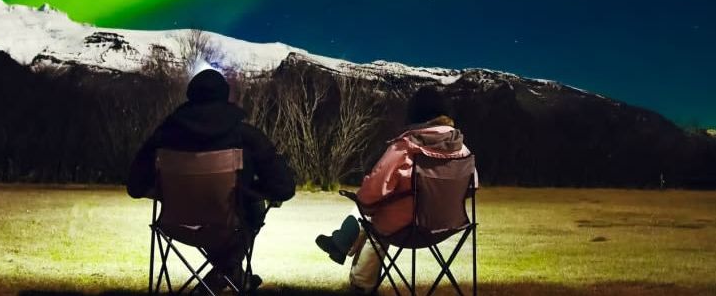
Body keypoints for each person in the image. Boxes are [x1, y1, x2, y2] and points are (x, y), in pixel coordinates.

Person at [127, 68, 295, 290]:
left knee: (242, 210)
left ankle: (226, 273)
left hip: (175, 225)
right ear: (224, 96)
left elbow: (135, 186)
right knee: (253, 207)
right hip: (228, 225)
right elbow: (284, 188)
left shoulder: (163, 137)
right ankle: (226, 271)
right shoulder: (244, 136)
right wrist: (247, 189)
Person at [315, 85, 472, 292]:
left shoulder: (406, 146)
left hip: (407, 228)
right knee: (375, 217)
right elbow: (472, 187)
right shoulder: (462, 149)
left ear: (415, 115)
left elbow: (374, 188)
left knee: (372, 217)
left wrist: (366, 201)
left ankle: (355, 274)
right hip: (448, 225)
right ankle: (341, 245)